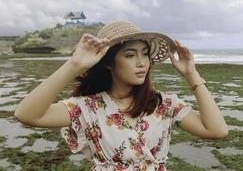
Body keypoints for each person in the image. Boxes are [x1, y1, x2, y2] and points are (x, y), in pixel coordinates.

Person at [14, 21, 228, 171]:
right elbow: (27, 114)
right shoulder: (88, 107)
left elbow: (217, 130)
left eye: (145, 53)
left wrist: (192, 74)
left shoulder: (164, 104)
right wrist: (74, 65)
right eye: (130, 55)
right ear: (108, 63)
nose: (142, 62)